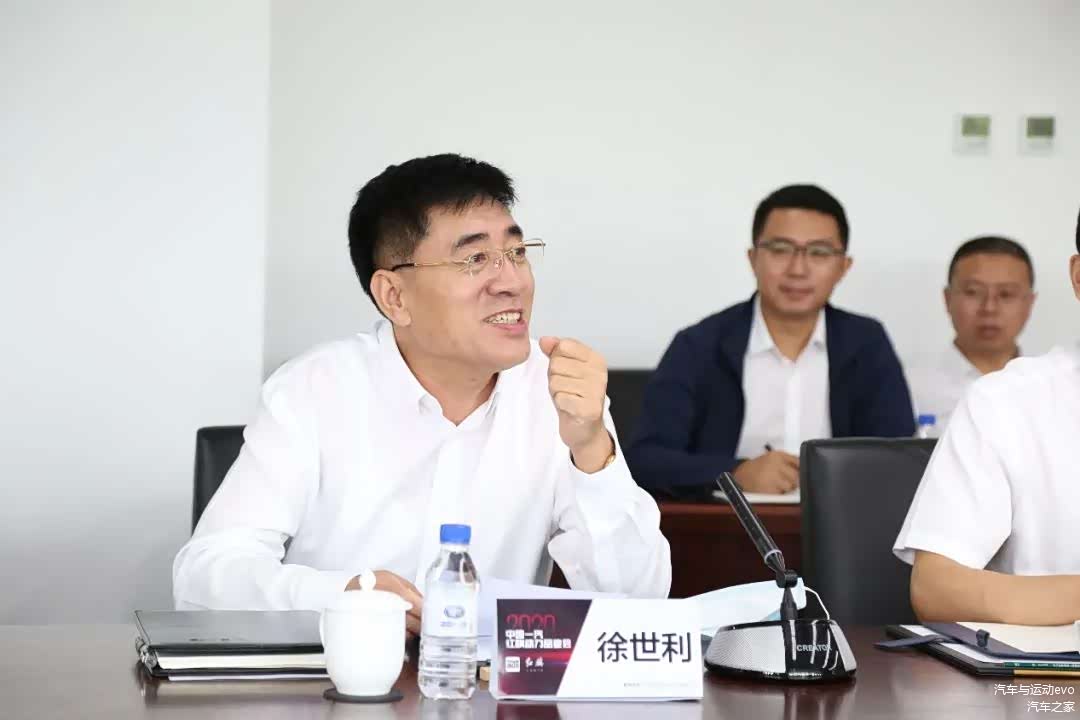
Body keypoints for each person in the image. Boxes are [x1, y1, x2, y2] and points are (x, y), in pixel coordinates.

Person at [173, 154, 672, 631]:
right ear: (394, 296)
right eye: (475, 258)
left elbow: (639, 602)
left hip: (487, 684)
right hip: (336, 679)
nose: (512, 282)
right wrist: (343, 598)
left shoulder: (557, 392)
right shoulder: (313, 391)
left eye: (517, 253)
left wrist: (591, 448)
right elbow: (203, 579)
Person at [627, 184, 914, 497]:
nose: (798, 269)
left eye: (819, 253)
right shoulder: (699, 346)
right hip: (724, 523)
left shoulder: (867, 344)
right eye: (780, 249)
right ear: (753, 259)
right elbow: (645, 459)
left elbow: (900, 459)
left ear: (843, 267)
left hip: (840, 524)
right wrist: (735, 474)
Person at [894, 208, 1080, 625]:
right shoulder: (1004, 402)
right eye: (975, 292)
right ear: (1078, 278)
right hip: (1050, 665)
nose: (990, 308)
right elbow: (937, 588)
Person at [907, 236, 1036, 433]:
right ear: (947, 299)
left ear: (1030, 303)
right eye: (973, 292)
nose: (989, 308)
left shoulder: (1052, 385)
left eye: (1006, 294)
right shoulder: (908, 388)